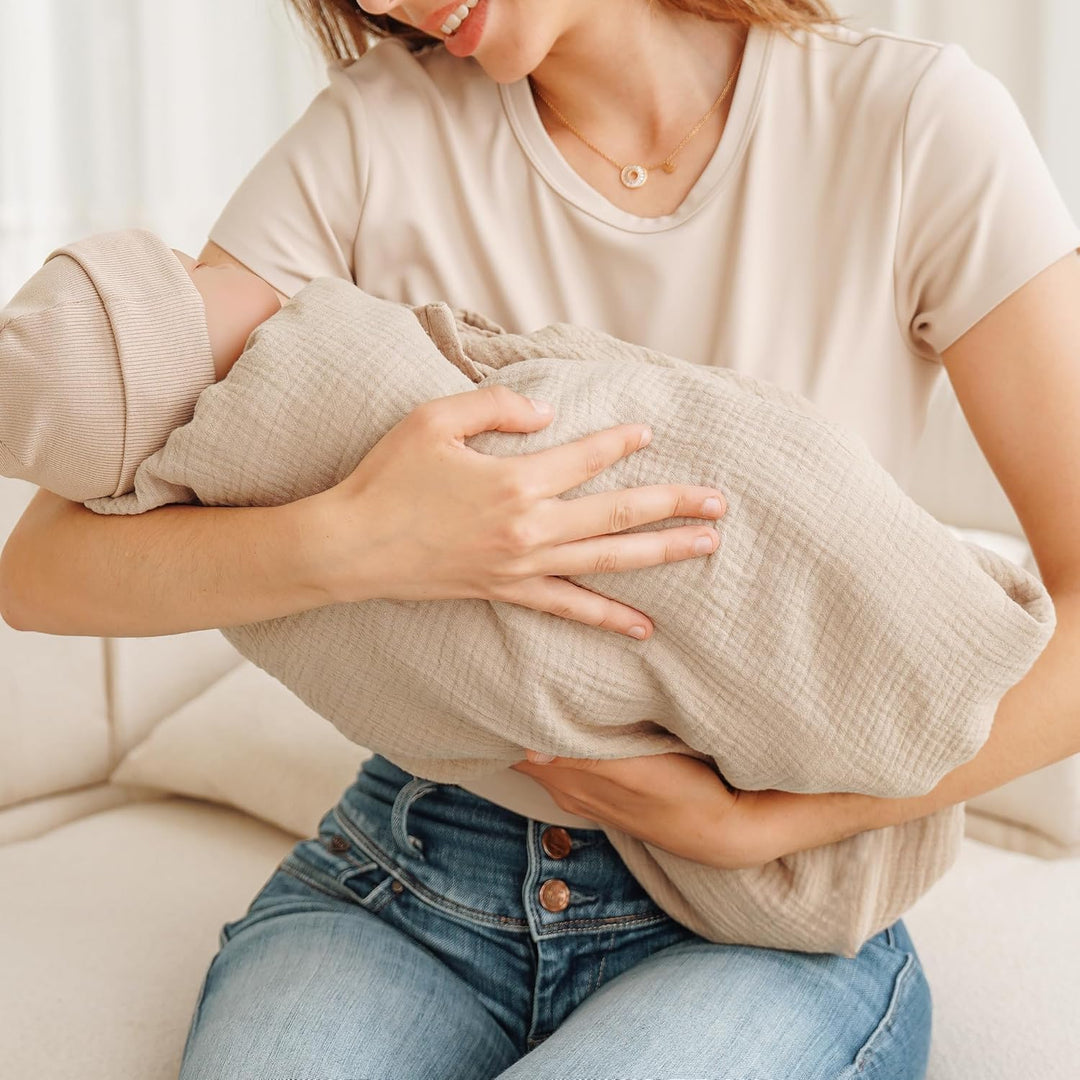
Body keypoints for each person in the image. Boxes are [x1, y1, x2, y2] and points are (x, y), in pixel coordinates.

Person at [2, 1, 1078, 1076]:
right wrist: (360, 538)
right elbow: (44, 569)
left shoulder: (910, 122)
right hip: (418, 864)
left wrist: (765, 827)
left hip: (760, 918)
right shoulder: (373, 137)